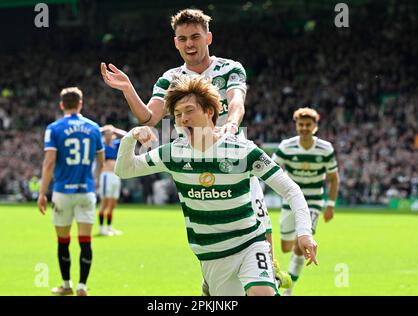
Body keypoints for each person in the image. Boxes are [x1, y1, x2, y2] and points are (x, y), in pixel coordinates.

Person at [100, 8, 289, 289]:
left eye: (195, 37)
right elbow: (151, 118)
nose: (189, 43)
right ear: (175, 42)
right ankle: (214, 277)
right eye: (183, 38)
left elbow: (237, 102)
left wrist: (233, 126)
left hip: (229, 152)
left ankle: (268, 268)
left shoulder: (230, 68)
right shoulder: (170, 78)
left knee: (257, 209)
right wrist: (128, 89)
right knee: (208, 224)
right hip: (192, 157)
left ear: (208, 38)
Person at [115, 76, 317, 296]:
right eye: (178, 114)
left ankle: (269, 279)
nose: (183, 119)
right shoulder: (173, 153)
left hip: (249, 243)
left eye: (189, 111)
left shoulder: (243, 150)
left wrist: (305, 233)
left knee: (263, 293)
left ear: (210, 112)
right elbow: (125, 169)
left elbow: (291, 189)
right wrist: (131, 137)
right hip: (211, 254)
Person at [37, 87, 105, 296]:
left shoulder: (54, 128)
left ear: (61, 105)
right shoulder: (94, 128)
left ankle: (66, 285)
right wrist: (95, 180)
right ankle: (82, 286)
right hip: (86, 190)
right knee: (85, 241)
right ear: (80, 104)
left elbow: (49, 163)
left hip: (62, 192)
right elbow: (101, 160)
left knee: (63, 240)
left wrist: (42, 193)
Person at [272, 107, 339, 296]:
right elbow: (271, 169)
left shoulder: (326, 149)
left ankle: (288, 289)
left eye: (308, 125)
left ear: (315, 126)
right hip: (290, 201)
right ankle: (293, 246)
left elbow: (333, 178)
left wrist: (330, 205)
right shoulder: (286, 146)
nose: (304, 128)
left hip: (313, 202)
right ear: (296, 126)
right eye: (300, 124)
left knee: (300, 248)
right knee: (285, 247)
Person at [98, 124, 126, 236]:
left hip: (116, 176)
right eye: (106, 133)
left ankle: (109, 227)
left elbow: (126, 135)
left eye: (110, 133)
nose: (108, 135)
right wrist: (102, 129)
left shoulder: (116, 144)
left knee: (112, 203)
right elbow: (94, 134)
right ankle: (101, 228)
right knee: (104, 203)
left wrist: (114, 129)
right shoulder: (101, 145)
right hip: (106, 176)